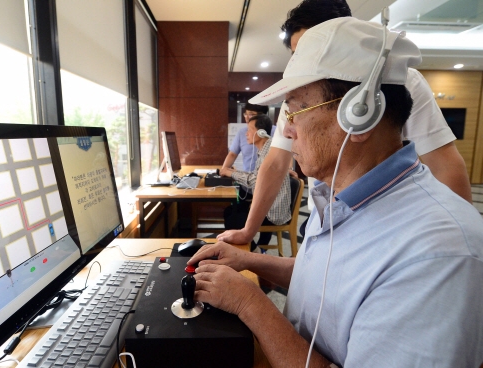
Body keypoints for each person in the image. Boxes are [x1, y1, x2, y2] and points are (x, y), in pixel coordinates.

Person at [188, 17, 483, 367]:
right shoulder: (338, 195)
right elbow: (329, 279)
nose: (289, 130)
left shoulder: (435, 257)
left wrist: (249, 303)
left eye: (297, 111)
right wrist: (247, 260)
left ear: (359, 115)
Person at [217, 0, 472, 246]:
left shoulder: (401, 82)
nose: (300, 65)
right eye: (297, 54)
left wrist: (458, 236)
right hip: (325, 217)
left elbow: (444, 162)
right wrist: (248, 230)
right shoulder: (299, 95)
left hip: (387, 225)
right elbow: (275, 163)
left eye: (311, 50)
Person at [220, 114, 292, 252]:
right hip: (270, 206)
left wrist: (230, 173)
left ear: (260, 133)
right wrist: (234, 172)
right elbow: (257, 177)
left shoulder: (268, 153)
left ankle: (253, 251)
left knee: (233, 217)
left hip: (273, 212)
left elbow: (255, 181)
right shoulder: (266, 149)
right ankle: (255, 249)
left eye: (249, 130)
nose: (246, 134)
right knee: (231, 211)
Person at [221, 103, 274, 174]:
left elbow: (255, 179)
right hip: (247, 179)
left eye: (251, 114)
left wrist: (232, 174)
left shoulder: (276, 134)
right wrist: (224, 170)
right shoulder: (242, 132)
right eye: (245, 114)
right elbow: (232, 154)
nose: (247, 117)